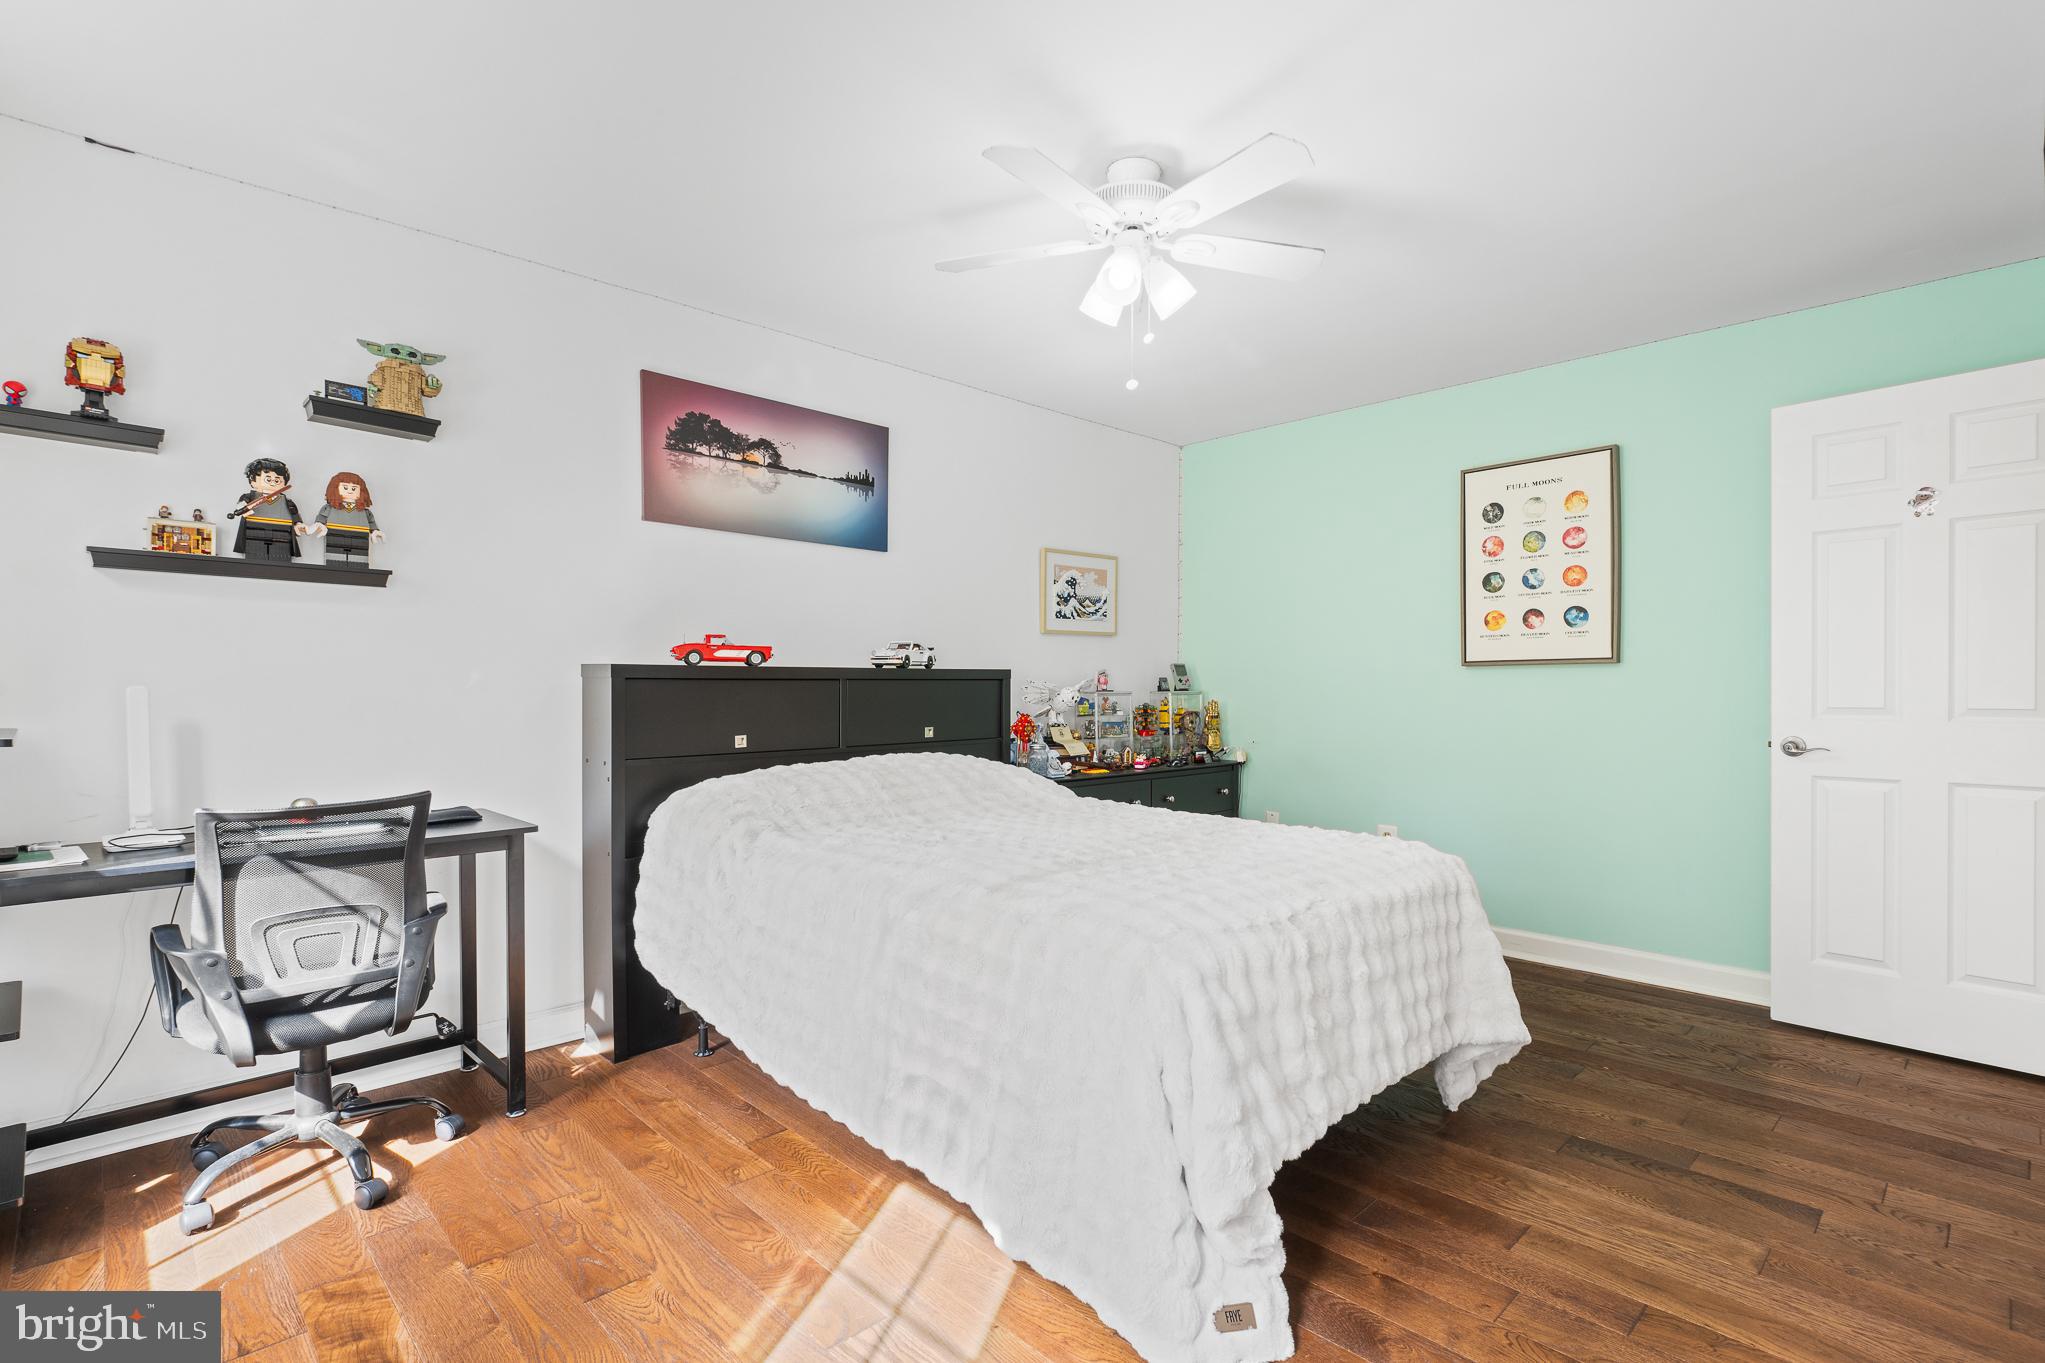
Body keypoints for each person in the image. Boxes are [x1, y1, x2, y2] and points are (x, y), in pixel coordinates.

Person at [226, 457, 303, 561]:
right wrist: (242, 509)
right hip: (254, 531)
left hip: (282, 534)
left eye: (277, 480)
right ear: (253, 482)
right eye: (268, 479)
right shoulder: (250, 497)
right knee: (255, 555)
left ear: (284, 483)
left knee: (281, 557)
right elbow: (241, 505)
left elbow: (294, 515)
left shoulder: (287, 502)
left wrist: (298, 525)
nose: (272, 483)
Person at [309, 471, 383, 567]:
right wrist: (319, 524)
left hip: (360, 536)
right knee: (335, 554)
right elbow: (322, 517)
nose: (350, 491)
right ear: (335, 489)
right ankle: (334, 566)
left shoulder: (365, 512)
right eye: (345, 487)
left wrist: (375, 531)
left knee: (359, 556)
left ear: (361, 491)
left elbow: (371, 522)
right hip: (335, 534)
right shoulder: (329, 508)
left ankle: (359, 568)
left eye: (354, 488)